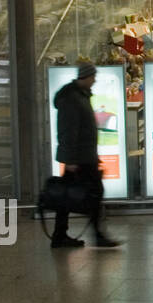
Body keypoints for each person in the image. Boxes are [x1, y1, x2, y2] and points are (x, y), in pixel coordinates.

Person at [51, 62, 121, 249]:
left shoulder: (80, 95)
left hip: (84, 155)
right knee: (94, 193)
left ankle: (60, 235)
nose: (94, 80)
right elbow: (68, 130)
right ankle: (97, 235)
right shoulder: (72, 98)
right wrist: (70, 160)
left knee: (68, 196)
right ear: (86, 77)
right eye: (93, 77)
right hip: (79, 158)